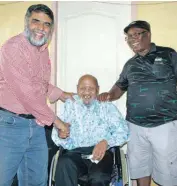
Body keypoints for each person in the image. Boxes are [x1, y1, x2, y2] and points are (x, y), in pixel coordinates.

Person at [0, 4, 73, 186]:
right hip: (9, 126)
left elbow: (39, 84)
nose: (41, 28)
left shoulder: (42, 49)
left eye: (47, 24)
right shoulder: (13, 48)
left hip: (36, 124)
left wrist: (62, 94)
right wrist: (58, 123)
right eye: (36, 21)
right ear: (27, 22)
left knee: (37, 181)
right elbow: (27, 93)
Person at [98, 20, 177, 186]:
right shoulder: (130, 64)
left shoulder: (168, 54)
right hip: (135, 126)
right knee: (140, 167)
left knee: (168, 171)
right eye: (129, 37)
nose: (132, 38)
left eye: (136, 34)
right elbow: (119, 87)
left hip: (164, 124)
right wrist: (108, 95)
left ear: (148, 34)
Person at [52, 74, 129, 186]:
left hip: (100, 152)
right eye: (82, 88)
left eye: (91, 88)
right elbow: (56, 131)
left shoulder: (106, 106)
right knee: (64, 164)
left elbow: (124, 131)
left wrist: (106, 142)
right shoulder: (69, 106)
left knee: (99, 177)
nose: (86, 92)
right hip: (75, 152)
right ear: (77, 88)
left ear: (97, 89)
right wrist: (60, 134)